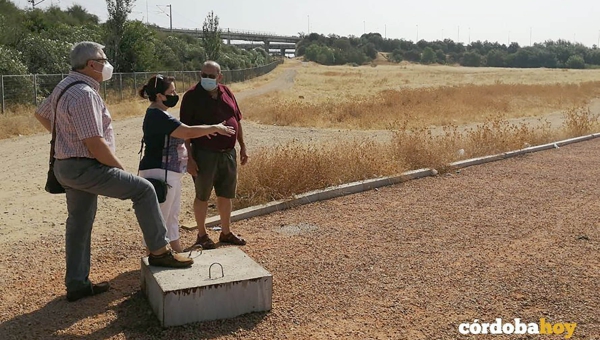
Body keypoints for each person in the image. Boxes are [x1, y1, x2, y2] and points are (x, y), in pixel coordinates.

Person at [34, 41, 193, 303]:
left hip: (65, 167)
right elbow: (95, 142)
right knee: (143, 190)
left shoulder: (64, 86)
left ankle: (77, 284)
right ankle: (160, 251)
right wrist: (119, 168)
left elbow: (41, 114)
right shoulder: (85, 94)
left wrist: (65, 136)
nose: (107, 64)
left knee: (79, 223)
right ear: (92, 65)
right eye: (103, 59)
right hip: (85, 167)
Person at [137, 74, 235, 252]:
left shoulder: (161, 113)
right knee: (159, 217)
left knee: (171, 215)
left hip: (169, 172)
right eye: (171, 92)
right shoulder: (157, 115)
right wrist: (215, 127)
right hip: (160, 172)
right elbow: (187, 132)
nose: (175, 95)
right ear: (159, 96)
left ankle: (175, 251)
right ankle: (154, 255)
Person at [180, 60, 249, 250]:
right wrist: (190, 159)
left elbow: (237, 120)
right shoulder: (191, 96)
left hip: (228, 153)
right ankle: (202, 235)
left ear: (220, 77)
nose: (207, 79)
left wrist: (242, 146)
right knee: (202, 195)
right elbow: (185, 131)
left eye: (211, 76)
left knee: (226, 195)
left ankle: (225, 232)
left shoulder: (227, 92)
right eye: (204, 75)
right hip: (204, 155)